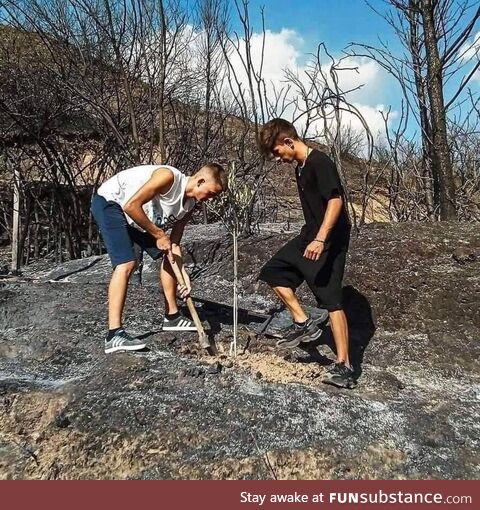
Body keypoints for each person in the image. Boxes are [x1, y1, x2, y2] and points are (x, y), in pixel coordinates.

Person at [257, 119, 355, 389]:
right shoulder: (300, 168)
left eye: (278, 152)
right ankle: (303, 321)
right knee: (273, 272)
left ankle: (344, 365)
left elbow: (336, 201)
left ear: (289, 142)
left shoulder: (319, 162)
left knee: (331, 298)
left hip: (330, 239)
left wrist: (322, 239)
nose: (278, 159)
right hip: (308, 234)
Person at [91, 163, 227, 354]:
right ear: (200, 181)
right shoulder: (168, 177)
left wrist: (184, 276)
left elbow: (174, 245)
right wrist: (158, 234)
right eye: (211, 193)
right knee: (127, 263)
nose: (210, 200)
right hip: (111, 202)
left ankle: (172, 316)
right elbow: (131, 205)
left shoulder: (190, 205)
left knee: (167, 253)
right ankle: (114, 334)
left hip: (132, 216)